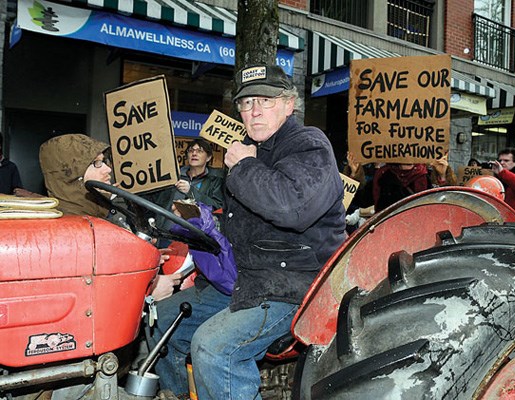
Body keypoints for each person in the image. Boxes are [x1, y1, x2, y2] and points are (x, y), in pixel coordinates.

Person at [150, 64, 346, 398]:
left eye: (265, 101)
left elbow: (291, 208)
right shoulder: (249, 148)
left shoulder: (308, 145)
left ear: (288, 104)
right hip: (245, 279)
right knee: (161, 321)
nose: (253, 112)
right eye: (245, 103)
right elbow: (245, 223)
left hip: (296, 286)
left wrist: (243, 165)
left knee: (214, 349)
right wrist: (201, 223)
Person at [39, 134, 180, 301]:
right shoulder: (75, 230)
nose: (108, 169)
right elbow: (91, 295)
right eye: (96, 164)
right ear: (70, 173)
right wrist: (149, 291)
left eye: (104, 161)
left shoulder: (91, 212)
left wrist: (144, 257)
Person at [147, 137, 224, 231]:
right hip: (166, 232)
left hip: (193, 235)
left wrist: (191, 191)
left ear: (208, 157)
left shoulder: (214, 181)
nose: (194, 154)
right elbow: (158, 202)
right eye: (191, 151)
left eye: (199, 151)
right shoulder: (174, 175)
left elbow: (217, 207)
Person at [488, 148, 515, 221]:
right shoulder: (498, 176)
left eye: (506, 160)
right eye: (500, 160)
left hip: (514, 221)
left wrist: (502, 173)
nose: (502, 163)